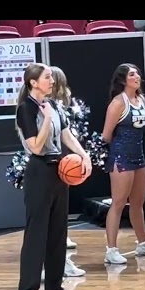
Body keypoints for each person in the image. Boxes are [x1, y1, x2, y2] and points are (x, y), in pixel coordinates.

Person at [15, 62, 92, 290]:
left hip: (59, 170)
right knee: (37, 234)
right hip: (38, 171)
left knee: (58, 233)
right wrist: (46, 119)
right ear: (33, 82)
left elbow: (66, 134)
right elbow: (36, 146)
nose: (52, 81)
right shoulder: (25, 109)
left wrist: (84, 155)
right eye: (47, 77)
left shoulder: (55, 105)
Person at [101, 63, 145, 265]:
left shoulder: (141, 100)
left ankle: (142, 243)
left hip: (139, 157)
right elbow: (106, 135)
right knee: (118, 203)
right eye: (132, 74)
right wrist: (119, 152)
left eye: (137, 72)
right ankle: (111, 250)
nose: (137, 76)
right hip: (121, 158)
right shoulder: (118, 103)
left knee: (138, 203)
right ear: (122, 80)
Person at [47, 65, 88, 277]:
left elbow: (71, 133)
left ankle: (61, 262)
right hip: (51, 162)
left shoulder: (65, 103)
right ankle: (52, 264)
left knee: (59, 215)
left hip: (65, 158)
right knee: (50, 217)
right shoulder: (42, 106)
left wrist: (82, 154)